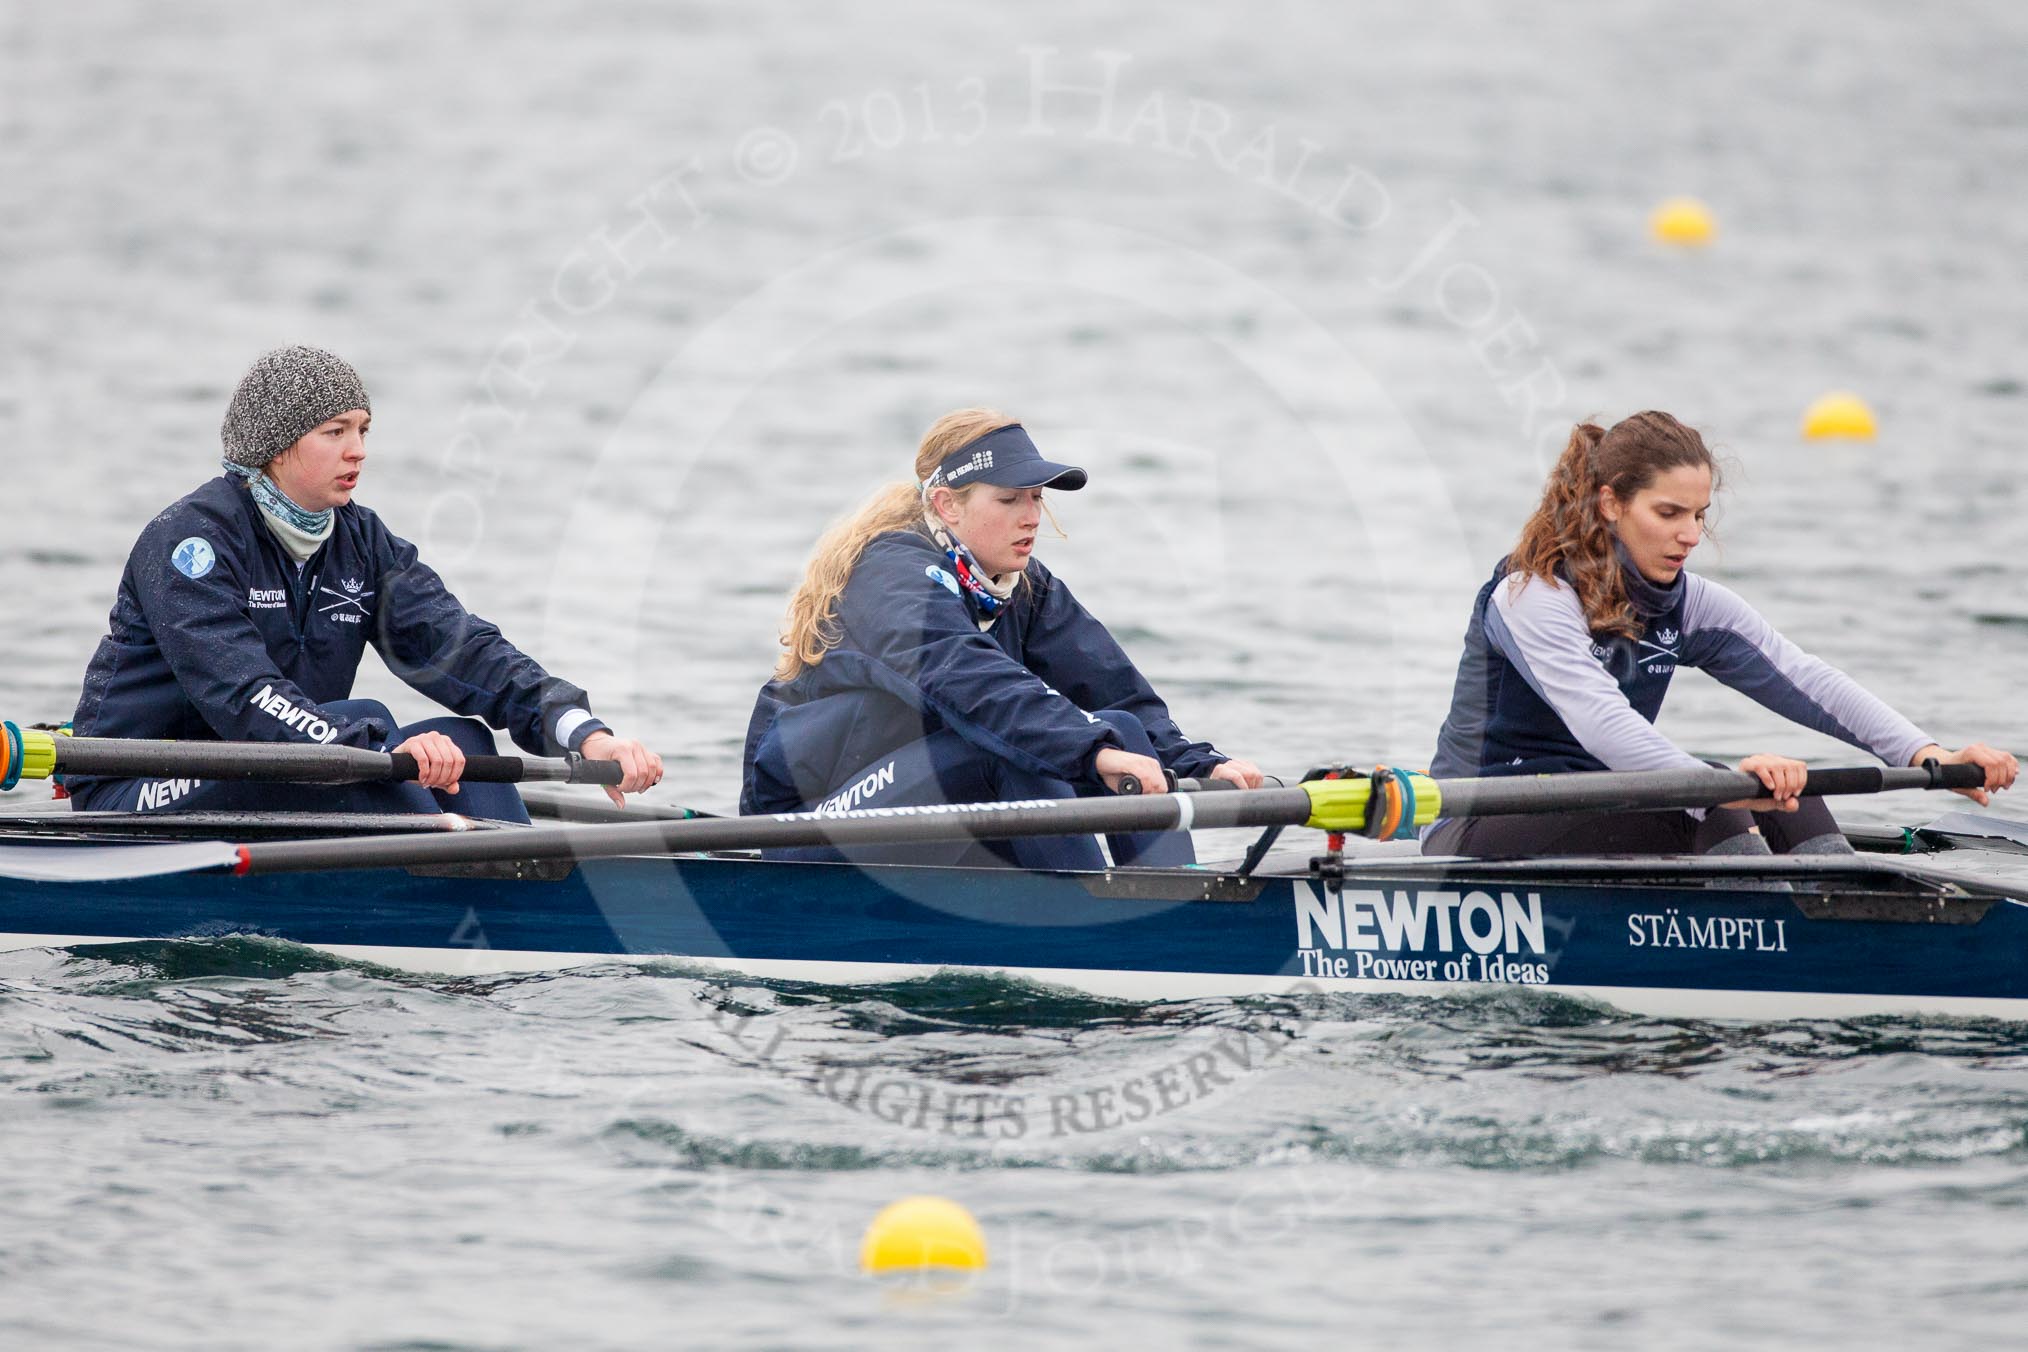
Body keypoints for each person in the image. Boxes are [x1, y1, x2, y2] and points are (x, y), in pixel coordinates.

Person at [67, 346, 662, 820]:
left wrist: (585, 735)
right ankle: (447, 904)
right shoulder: (190, 542)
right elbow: (243, 694)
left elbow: (464, 650)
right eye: (334, 431)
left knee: (465, 740)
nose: (358, 451)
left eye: (364, 430)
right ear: (275, 446)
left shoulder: (362, 541)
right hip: (142, 783)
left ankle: (512, 897)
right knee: (371, 719)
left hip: (282, 767)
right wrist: (373, 749)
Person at [1423, 411, 2015, 859]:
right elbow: (1601, 721)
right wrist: (1721, 790)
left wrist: (1926, 753)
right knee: (1713, 803)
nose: (1690, 535)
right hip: (1476, 817)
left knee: (1795, 794)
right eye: (1669, 514)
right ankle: (1782, 942)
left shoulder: (1690, 604)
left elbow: (1806, 680)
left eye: (1699, 515)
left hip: (1597, 802)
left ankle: (1849, 935)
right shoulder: (1533, 596)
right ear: (1610, 504)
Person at [740, 408, 1263, 869]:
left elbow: (1114, 693)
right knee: (1013, 748)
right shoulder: (889, 573)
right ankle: (1090, 921)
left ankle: (1170, 895)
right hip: (811, 827)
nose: (1032, 516)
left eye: (1035, 498)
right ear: (947, 505)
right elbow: (967, 677)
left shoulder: (1026, 587)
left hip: (926, 810)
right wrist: (1088, 751)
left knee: (1119, 727)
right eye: (1010, 499)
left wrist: (1198, 763)